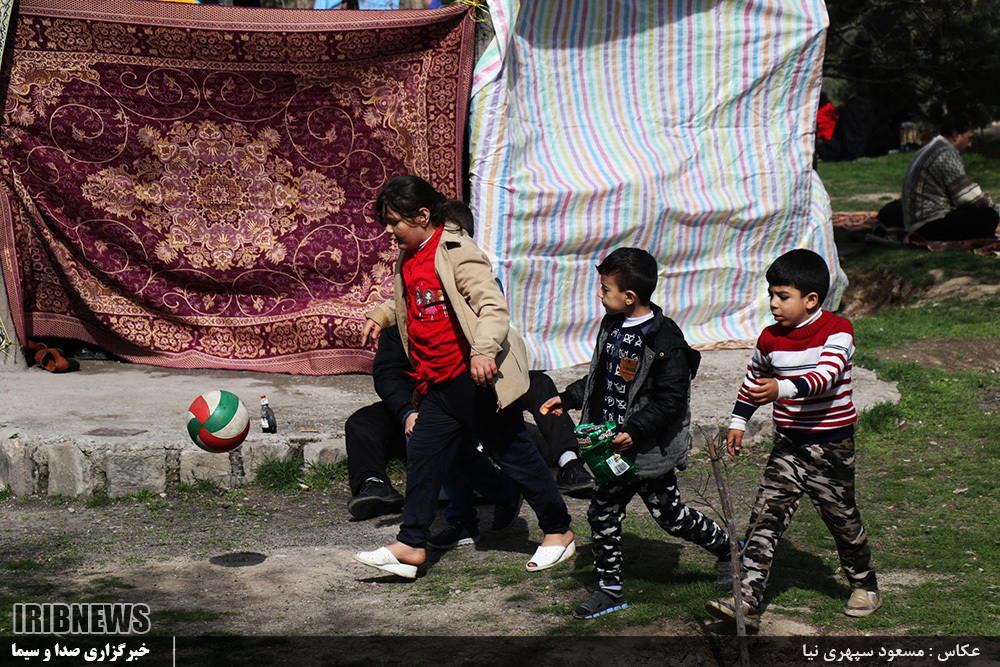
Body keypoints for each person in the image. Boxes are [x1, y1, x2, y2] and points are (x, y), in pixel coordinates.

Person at [353, 175, 574, 579]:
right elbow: (417, 298)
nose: (389, 231)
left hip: (474, 381)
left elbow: (492, 305)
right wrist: (381, 315)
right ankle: (411, 544)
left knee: (517, 457)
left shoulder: (457, 250)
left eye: (395, 221)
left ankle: (559, 531)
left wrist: (483, 351)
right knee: (423, 458)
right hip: (438, 383)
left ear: (422, 216)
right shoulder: (411, 254)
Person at [542, 248, 733, 620]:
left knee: (671, 517)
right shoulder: (612, 326)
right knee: (602, 514)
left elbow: (671, 399)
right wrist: (569, 397)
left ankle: (729, 550)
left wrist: (635, 429)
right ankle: (610, 590)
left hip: (645, 451)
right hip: (611, 450)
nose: (600, 294)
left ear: (629, 296)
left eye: (605, 289)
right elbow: (602, 379)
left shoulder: (665, 340)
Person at [705, 249, 880, 631]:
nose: (773, 303)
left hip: (831, 447)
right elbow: (753, 382)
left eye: (782, 296)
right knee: (765, 517)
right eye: (771, 294)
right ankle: (747, 601)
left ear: (811, 299)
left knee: (841, 518)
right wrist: (737, 421)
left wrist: (780, 388)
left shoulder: (837, 330)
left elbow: (826, 377)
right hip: (788, 445)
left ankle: (864, 584)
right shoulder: (769, 338)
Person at [345, 325, 521, 528]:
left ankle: (497, 493)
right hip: (411, 401)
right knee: (361, 423)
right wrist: (407, 412)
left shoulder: (457, 320)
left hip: (455, 397)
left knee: (451, 441)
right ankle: (375, 484)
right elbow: (386, 372)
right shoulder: (399, 323)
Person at [900, 115, 1000, 240]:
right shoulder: (945, 154)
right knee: (989, 215)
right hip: (928, 225)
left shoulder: (933, 148)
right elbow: (969, 196)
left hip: (917, 222)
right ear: (955, 134)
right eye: (969, 138)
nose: (970, 144)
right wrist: (995, 210)